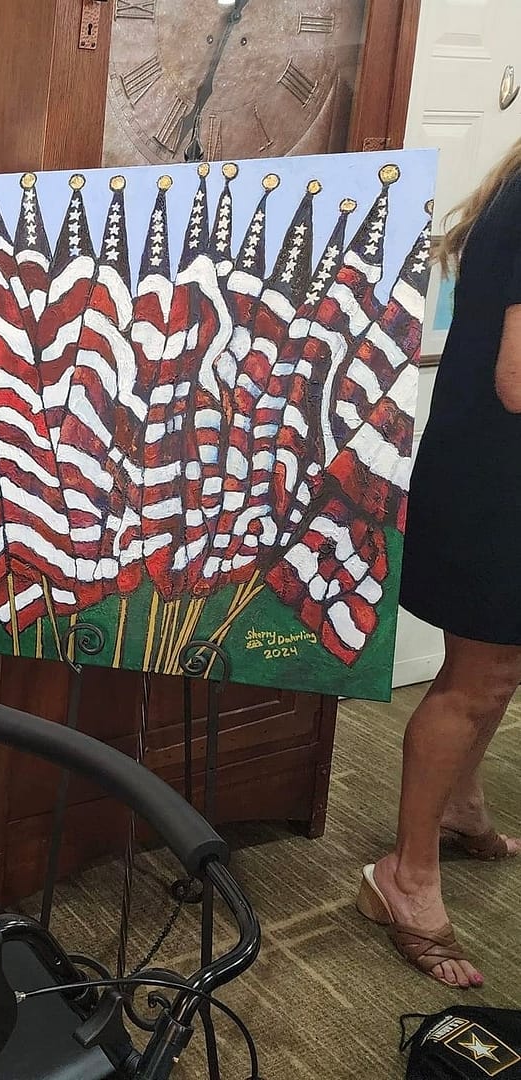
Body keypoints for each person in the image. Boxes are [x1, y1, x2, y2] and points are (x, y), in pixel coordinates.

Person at [358, 137, 521, 990]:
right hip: (496, 485)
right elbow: (517, 381)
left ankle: (459, 811)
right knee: (472, 681)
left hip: (496, 475)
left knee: (496, 675)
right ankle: (404, 876)